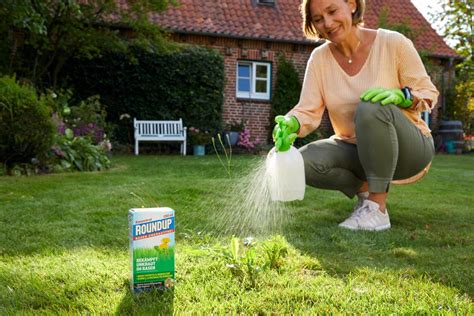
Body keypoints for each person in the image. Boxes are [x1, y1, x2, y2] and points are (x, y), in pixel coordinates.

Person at [273, 0, 438, 231]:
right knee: (304, 162)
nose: (327, 23)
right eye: (318, 19)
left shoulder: (393, 43)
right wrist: (292, 122)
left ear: (351, 5)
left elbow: (428, 93)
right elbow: (308, 109)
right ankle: (368, 198)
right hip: (357, 150)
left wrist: (403, 96)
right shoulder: (320, 59)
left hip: (409, 149)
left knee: (372, 105)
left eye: (332, 11)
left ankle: (378, 210)